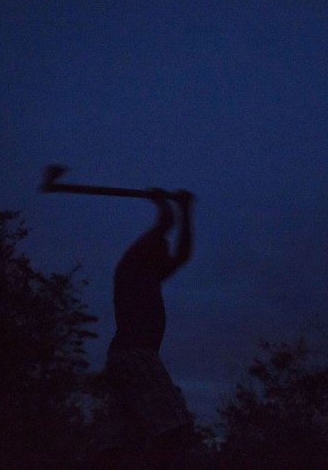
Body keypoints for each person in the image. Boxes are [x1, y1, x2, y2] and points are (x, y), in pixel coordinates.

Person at [102, 188, 195, 468]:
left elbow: (183, 255)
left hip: (124, 358)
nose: (166, 248)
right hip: (135, 355)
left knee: (122, 443)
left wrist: (187, 211)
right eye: (161, 245)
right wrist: (163, 203)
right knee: (173, 426)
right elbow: (165, 224)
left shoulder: (150, 273)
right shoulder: (133, 265)